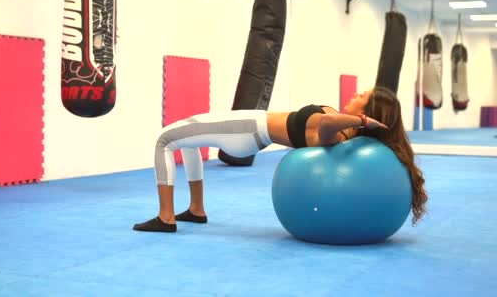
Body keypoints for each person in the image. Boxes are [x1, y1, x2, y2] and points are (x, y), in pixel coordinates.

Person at [133, 86, 428, 233]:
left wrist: (361, 120)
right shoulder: (341, 128)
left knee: (165, 139)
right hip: (249, 127)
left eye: (363, 95)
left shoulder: (336, 133)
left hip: (247, 130)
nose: (356, 93)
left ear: (368, 110)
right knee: (188, 139)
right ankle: (196, 209)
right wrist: (359, 120)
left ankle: (166, 217)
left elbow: (325, 126)